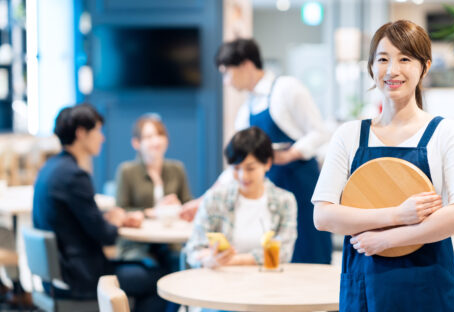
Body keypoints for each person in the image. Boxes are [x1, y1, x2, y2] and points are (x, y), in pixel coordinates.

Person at [312, 20, 454, 311]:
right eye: (383, 59)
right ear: (371, 67)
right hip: (364, 280)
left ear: (424, 67)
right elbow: (323, 216)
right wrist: (397, 214)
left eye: (405, 59)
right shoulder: (349, 135)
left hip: (426, 279)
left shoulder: (446, 132)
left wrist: (389, 239)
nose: (392, 70)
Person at [187, 38, 330, 264]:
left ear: (245, 65)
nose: (226, 81)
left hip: (301, 185)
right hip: (267, 186)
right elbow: (239, 162)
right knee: (274, 260)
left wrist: (290, 154)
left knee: (308, 257)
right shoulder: (246, 109)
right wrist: (202, 199)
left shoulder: (286, 88)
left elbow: (321, 132)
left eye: (227, 73)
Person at [32, 103, 167, 312]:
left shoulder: (51, 168)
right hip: (81, 277)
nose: (102, 137)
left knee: (148, 270)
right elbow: (105, 236)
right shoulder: (74, 176)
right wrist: (115, 222)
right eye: (97, 131)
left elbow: (78, 220)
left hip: (57, 276)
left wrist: (108, 218)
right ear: (81, 133)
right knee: (163, 280)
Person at [185, 127, 297, 269]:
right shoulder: (215, 198)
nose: (243, 176)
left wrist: (233, 260)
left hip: (267, 284)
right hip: (221, 285)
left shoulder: (285, 201)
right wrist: (209, 260)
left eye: (250, 168)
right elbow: (194, 250)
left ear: (267, 163)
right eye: (236, 168)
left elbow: (283, 253)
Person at [115, 114, 192, 264]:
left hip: (170, 242)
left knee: (184, 263)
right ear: (136, 143)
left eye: (160, 135)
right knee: (153, 269)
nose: (156, 141)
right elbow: (121, 212)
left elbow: (189, 205)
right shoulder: (126, 171)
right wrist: (152, 212)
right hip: (137, 245)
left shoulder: (177, 169)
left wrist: (179, 207)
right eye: (149, 137)